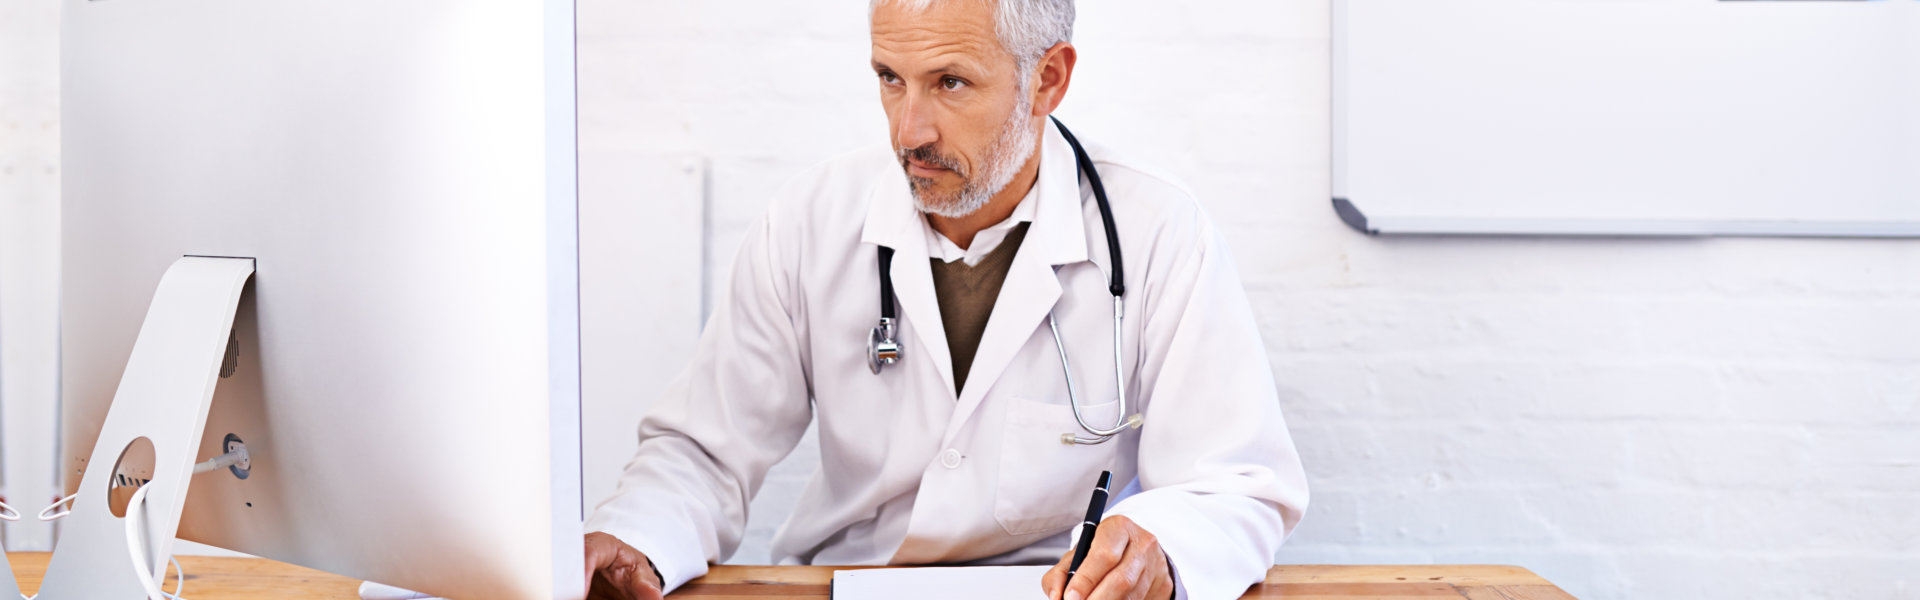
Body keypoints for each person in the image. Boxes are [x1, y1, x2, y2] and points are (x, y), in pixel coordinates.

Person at [583, 1, 1308, 599]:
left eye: (950, 83)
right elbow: (705, 451)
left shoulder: (1158, 233)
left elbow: (1235, 484)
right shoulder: (808, 222)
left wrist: (1162, 549)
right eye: (890, 78)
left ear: (1047, 79)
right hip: (852, 585)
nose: (909, 131)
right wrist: (635, 535)